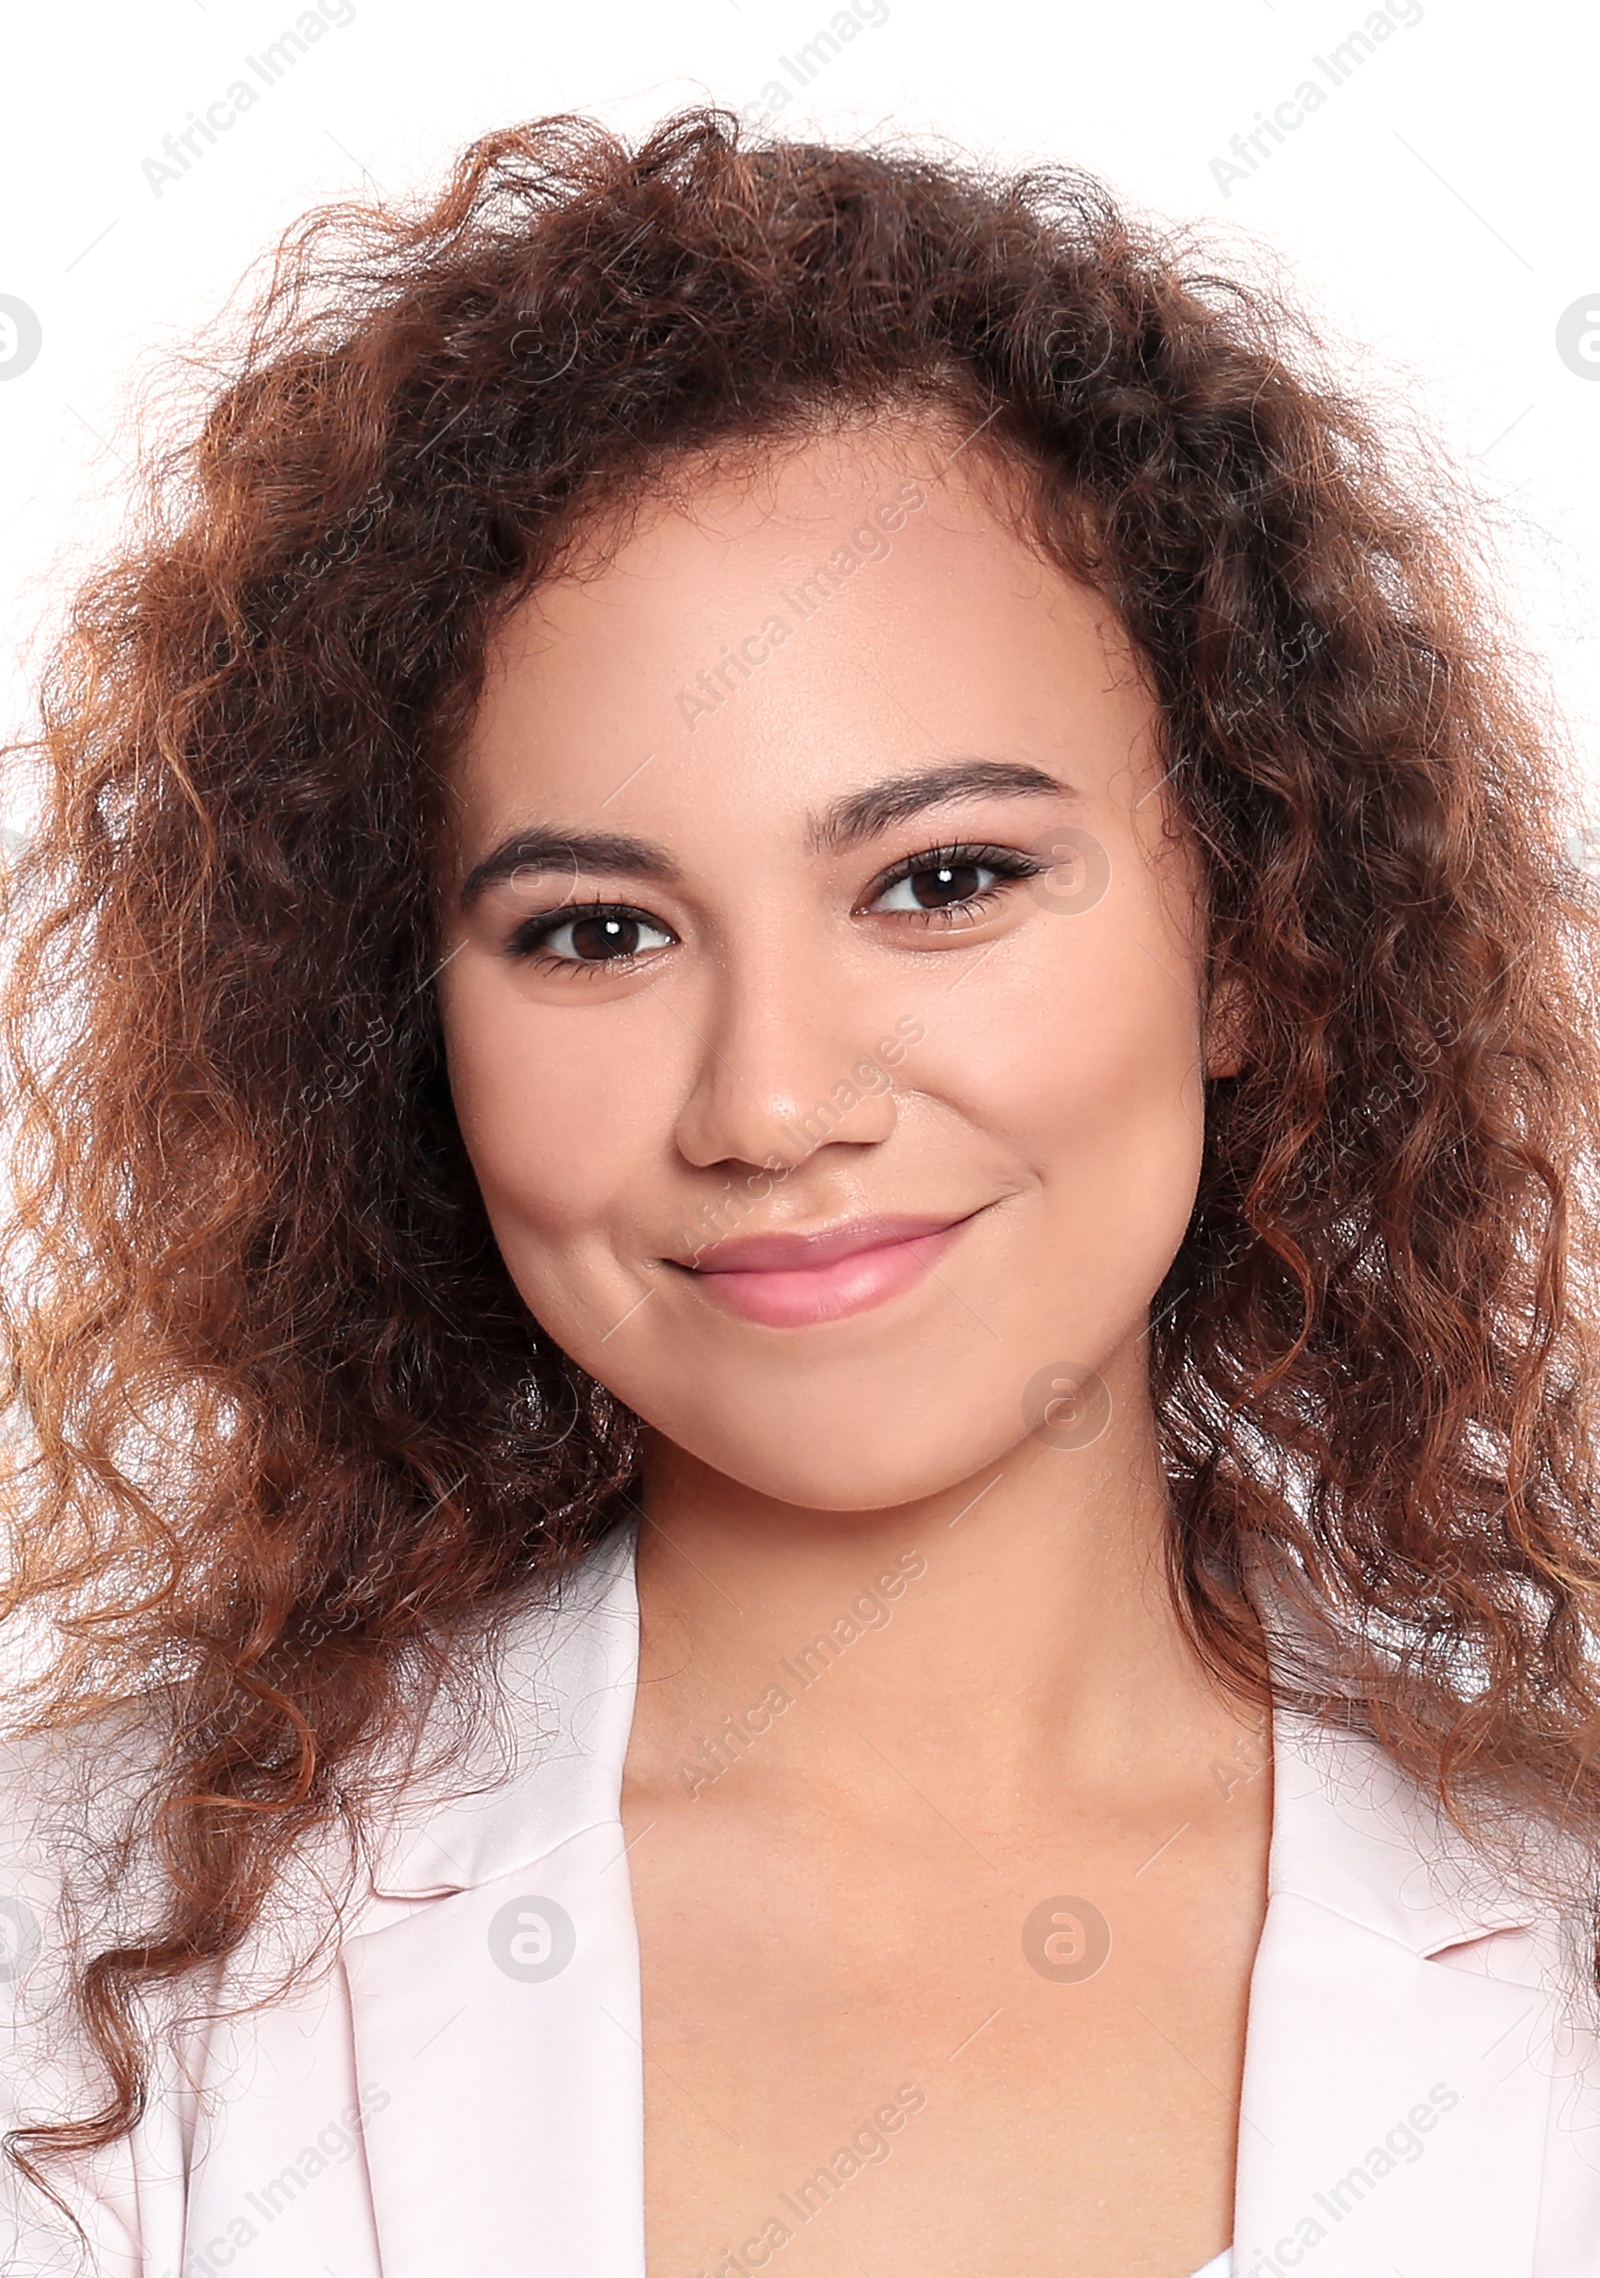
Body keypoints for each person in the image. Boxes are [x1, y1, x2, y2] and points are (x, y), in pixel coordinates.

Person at [3, 105, 1599, 2278]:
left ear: (1244, 934)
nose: (764, 1102)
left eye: (940, 881)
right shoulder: (66, 1953)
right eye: (592, 928)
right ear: (403, 1021)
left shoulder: (1561, 1955)